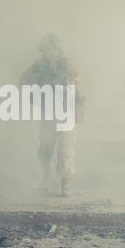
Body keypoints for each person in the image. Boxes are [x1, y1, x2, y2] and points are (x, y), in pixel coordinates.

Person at [20, 33, 84, 197]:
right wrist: (40, 80)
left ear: (58, 49)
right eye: (47, 49)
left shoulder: (67, 63)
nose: (50, 52)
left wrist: (47, 82)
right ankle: (48, 176)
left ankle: (66, 183)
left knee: (65, 150)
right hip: (48, 113)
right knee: (45, 149)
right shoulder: (39, 65)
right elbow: (23, 79)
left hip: (65, 113)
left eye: (53, 49)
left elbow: (71, 82)